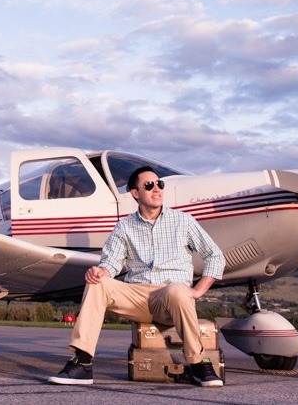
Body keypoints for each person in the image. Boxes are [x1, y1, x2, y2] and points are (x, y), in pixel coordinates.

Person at [47, 166, 226, 388]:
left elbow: (215, 256)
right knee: (97, 282)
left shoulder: (184, 221)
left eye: (159, 184)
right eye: (149, 185)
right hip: (137, 297)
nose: (157, 189)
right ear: (135, 193)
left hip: (170, 297)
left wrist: (198, 290)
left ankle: (198, 364)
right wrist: (99, 272)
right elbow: (110, 264)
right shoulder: (124, 226)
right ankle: (83, 362)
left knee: (177, 290)